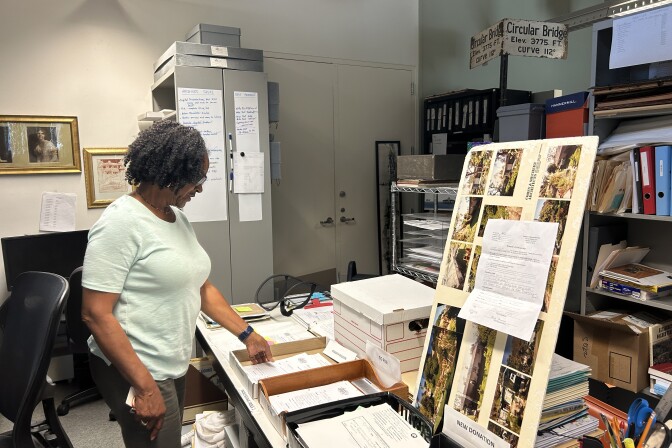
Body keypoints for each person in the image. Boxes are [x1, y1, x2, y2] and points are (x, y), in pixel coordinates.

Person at [81, 120, 273, 448]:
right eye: (196, 180)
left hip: (169, 358)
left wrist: (247, 334)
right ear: (170, 172)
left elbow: (200, 286)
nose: (199, 189)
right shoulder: (120, 223)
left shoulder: (176, 217)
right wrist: (143, 387)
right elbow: (95, 314)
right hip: (136, 365)